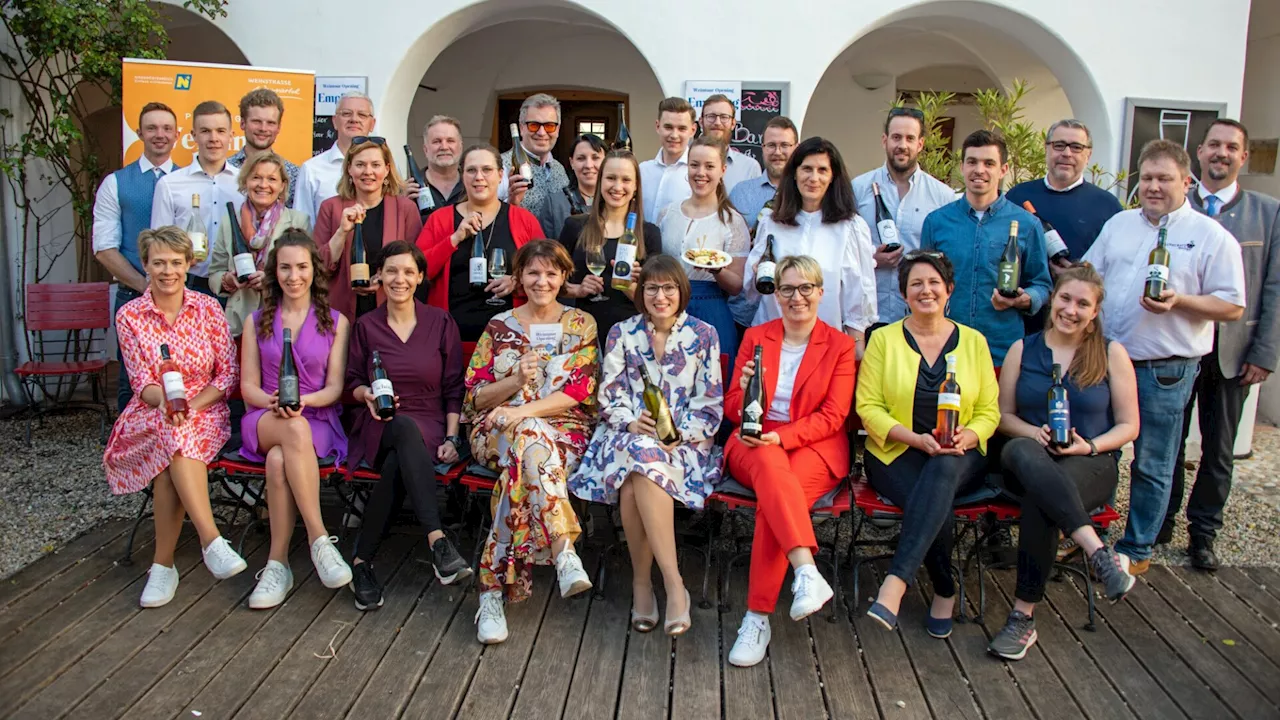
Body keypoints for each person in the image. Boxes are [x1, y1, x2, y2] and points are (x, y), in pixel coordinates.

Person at [1083, 139, 1246, 575]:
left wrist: (1180, 302)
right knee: (1100, 457)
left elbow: (1232, 305)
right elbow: (1089, 276)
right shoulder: (1119, 224)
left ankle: (1136, 549)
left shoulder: (1210, 236)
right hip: (1108, 362)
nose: (1153, 187)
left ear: (1186, 181)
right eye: (1147, 178)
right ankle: (1091, 540)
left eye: (1164, 179)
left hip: (1166, 369)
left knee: (1153, 461)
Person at [569, 256, 724, 636]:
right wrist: (631, 421)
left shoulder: (704, 335)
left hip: (683, 443)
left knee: (638, 472)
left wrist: (675, 434)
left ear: (681, 291)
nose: (660, 296)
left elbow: (710, 402)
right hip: (624, 435)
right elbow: (610, 394)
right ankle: (672, 584)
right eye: (651, 288)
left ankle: (649, 584)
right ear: (640, 293)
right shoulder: (622, 332)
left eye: (669, 287)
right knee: (638, 454)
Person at [992, 263, 1138, 660]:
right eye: (1065, 298)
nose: (1071, 309)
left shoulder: (1111, 353)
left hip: (1090, 463)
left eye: (1083, 304)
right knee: (1022, 454)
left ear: (1095, 312)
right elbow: (1003, 417)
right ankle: (1096, 550)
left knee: (1044, 498)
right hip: (1028, 457)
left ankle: (1022, 618)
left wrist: (1088, 446)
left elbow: (1129, 425)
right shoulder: (1024, 348)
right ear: (1052, 299)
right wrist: (1031, 432)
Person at [855, 251, 999, 635]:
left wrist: (965, 437)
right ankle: (945, 589)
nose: (926, 290)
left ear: (949, 290)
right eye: (916, 283)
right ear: (903, 293)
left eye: (934, 283)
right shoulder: (882, 339)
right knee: (936, 494)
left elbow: (989, 411)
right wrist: (915, 439)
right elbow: (867, 407)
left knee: (944, 468)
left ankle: (895, 583)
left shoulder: (974, 342)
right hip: (896, 452)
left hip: (960, 453)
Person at [102, 226, 245, 608]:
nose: (168, 271)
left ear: (188, 264)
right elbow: (140, 382)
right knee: (173, 437)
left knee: (173, 453)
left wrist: (190, 407)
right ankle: (211, 540)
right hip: (151, 410)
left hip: (206, 406)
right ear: (145, 265)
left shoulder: (208, 307)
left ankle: (163, 566)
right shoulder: (130, 315)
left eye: (176, 263)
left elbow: (227, 375)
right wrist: (167, 405)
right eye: (159, 262)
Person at [464, 240, 598, 645]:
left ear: (563, 278)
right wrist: (515, 382)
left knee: (527, 448)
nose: (542, 281)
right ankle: (563, 551)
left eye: (551, 273)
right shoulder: (498, 326)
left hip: (560, 428)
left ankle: (489, 591)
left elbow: (579, 392)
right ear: (519, 277)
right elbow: (474, 398)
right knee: (528, 442)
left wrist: (523, 412)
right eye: (533, 273)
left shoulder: (581, 324)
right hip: (495, 429)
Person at [724, 255, 856, 667]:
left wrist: (781, 436)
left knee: (777, 499)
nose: (796, 297)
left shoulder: (840, 346)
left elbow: (834, 417)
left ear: (820, 292)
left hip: (814, 444)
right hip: (753, 441)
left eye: (805, 288)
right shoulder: (758, 336)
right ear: (775, 294)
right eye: (787, 289)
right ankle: (805, 570)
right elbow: (731, 408)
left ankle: (757, 616)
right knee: (771, 469)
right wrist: (744, 391)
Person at [1162, 119, 1280, 570]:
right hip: (1177, 345)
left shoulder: (1267, 213)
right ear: (1200, 151)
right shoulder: (1172, 206)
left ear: (1243, 157)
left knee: (1219, 448)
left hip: (1232, 353)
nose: (1221, 153)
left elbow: (1274, 288)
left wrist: (1264, 353)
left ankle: (1204, 532)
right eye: (1214, 145)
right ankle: (1162, 521)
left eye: (1231, 147)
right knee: (1168, 442)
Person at [345, 241, 472, 610]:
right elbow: (352, 381)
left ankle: (361, 562)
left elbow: (452, 388)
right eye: (391, 271)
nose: (399, 279)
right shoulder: (366, 326)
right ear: (379, 277)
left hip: (430, 423)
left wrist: (452, 436)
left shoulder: (440, 321)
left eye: (408, 271)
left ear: (419, 277)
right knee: (400, 428)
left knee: (399, 459)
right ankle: (437, 540)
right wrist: (366, 393)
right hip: (378, 423)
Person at [237, 231, 352, 609]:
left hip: (316, 417)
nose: (293, 275)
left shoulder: (337, 321)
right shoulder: (256, 322)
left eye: (301, 266)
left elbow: (335, 388)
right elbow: (247, 387)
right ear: (274, 272)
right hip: (264, 417)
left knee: (279, 458)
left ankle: (277, 563)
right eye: (285, 267)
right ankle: (320, 539)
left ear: (314, 271)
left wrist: (303, 401)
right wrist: (273, 402)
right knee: (289, 430)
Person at [920, 130, 1052, 366]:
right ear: (961, 167)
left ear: (1003, 169)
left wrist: (1024, 299)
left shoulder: (1027, 225)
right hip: (945, 347)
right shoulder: (936, 222)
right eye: (972, 162)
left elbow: (1042, 284)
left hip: (1001, 351)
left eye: (989, 163)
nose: (979, 170)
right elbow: (923, 282)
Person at [742, 137, 877, 355]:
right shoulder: (771, 222)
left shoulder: (851, 228)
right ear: (794, 173)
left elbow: (859, 296)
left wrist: (856, 351)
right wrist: (756, 272)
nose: (814, 178)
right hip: (772, 340)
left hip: (826, 344)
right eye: (807, 169)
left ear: (833, 176)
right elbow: (751, 292)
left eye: (822, 170)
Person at [93, 101, 181, 412]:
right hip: (134, 294)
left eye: (167, 128)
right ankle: (128, 448)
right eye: (152, 128)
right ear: (139, 132)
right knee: (133, 378)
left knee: (180, 372)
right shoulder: (116, 183)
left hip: (181, 298)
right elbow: (104, 248)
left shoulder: (188, 180)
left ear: (177, 134)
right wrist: (145, 286)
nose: (160, 134)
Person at [416, 144, 543, 342]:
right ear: (462, 175)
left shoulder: (523, 219)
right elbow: (418, 272)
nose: (479, 177)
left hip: (510, 341)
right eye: (471, 170)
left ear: (501, 175)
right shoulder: (439, 219)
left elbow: (546, 272)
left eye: (487, 170)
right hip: (451, 341)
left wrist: (517, 281)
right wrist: (454, 239)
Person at [853, 107, 957, 324]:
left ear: (920, 144)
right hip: (868, 315)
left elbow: (947, 259)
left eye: (910, 138)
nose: (902, 145)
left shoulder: (943, 197)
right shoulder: (857, 190)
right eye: (896, 137)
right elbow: (844, 249)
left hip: (918, 318)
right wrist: (871, 259)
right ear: (885, 140)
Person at [657, 135, 750, 366]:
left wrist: (717, 271)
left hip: (711, 307)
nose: (701, 173)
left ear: (722, 170)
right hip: (668, 307)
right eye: (694, 164)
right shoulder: (667, 213)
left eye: (709, 166)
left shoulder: (732, 221)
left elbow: (737, 286)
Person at [313, 137, 423, 322]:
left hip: (390, 311)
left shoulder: (405, 209)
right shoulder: (330, 208)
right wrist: (342, 231)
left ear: (387, 169)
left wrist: (381, 279)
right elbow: (317, 268)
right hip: (340, 314)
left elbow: (416, 264)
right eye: (360, 165)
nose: (368, 172)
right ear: (349, 169)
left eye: (376, 165)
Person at [558, 149, 663, 342]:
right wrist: (578, 290)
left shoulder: (649, 234)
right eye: (611, 178)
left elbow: (656, 302)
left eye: (626, 180)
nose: (617, 186)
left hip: (632, 337)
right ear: (600, 182)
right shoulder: (574, 226)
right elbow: (551, 282)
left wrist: (629, 285)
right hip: (582, 333)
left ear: (636, 186)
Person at [208, 151, 311, 337]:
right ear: (246, 182)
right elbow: (215, 272)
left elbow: (307, 274)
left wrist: (270, 280)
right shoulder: (230, 221)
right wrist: (227, 281)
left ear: (282, 186)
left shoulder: (298, 222)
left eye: (272, 179)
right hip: (238, 323)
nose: (263, 185)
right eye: (256, 177)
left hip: (282, 322)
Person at [1005, 119, 1124, 269]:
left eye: (1076, 147)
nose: (1067, 153)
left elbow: (1117, 266)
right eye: (1059, 146)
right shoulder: (1017, 196)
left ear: (1088, 155)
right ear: (1046, 149)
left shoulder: (1108, 206)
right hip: (1022, 292)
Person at [151, 100, 240, 298]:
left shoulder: (244, 184)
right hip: (188, 285)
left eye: (220, 131)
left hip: (235, 287)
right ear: (194, 136)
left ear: (231, 136)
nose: (213, 138)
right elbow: (159, 244)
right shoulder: (169, 184)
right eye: (206, 131)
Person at [728, 116, 798, 331]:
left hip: (791, 310)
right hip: (744, 310)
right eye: (771, 145)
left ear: (796, 148)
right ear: (763, 148)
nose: (778, 152)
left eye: (785, 145)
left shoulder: (806, 194)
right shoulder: (741, 192)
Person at [296, 91, 377, 225]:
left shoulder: (385, 167)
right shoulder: (311, 169)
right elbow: (302, 225)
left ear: (372, 124)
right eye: (346, 113)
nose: (354, 119)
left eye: (362, 115)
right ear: (334, 121)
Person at [497, 93, 569, 223]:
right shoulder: (500, 167)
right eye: (534, 125)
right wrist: (511, 202)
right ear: (521, 128)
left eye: (549, 126)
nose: (542, 133)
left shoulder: (560, 169)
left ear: (557, 129)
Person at [227, 88, 300, 209]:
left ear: (278, 127)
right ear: (242, 123)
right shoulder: (226, 169)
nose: (263, 128)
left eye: (270, 123)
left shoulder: (293, 173)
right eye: (256, 121)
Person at [639, 97, 698, 225]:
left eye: (682, 128)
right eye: (668, 127)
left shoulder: (698, 175)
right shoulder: (642, 171)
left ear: (692, 130)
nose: (674, 135)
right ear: (657, 126)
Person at [540, 133, 606, 241]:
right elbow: (545, 251)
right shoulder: (555, 203)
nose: (589, 165)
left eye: (595, 158)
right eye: (581, 158)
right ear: (572, 163)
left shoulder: (615, 200)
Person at [404, 115, 466, 221]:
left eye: (450, 141)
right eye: (437, 141)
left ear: (460, 147)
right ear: (425, 149)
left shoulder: (471, 185)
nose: (444, 147)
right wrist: (400, 204)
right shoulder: (410, 189)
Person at [697, 93, 762, 192]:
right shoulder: (686, 164)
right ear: (701, 122)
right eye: (711, 116)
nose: (717, 122)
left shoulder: (750, 168)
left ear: (733, 123)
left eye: (724, 117)